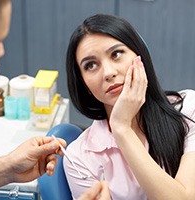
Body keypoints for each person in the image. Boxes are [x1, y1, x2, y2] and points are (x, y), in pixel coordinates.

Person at [64, 13, 195, 199]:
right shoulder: (79, 158)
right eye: (91, 65)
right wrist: (121, 126)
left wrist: (122, 128)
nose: (108, 73)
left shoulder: (188, 108)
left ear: (139, 55)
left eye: (116, 54)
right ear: (84, 83)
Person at [0, 1, 108, 199]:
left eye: (117, 54)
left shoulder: (181, 110)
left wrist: (6, 169)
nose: (1, 51)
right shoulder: (82, 158)